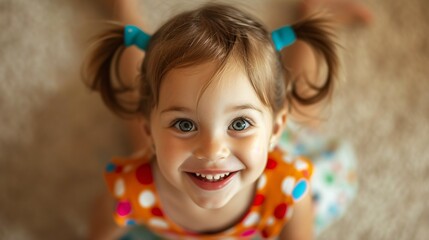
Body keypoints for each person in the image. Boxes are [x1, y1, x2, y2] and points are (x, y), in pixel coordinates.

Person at [82, 1, 369, 239]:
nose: (212, 150)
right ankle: (123, 8)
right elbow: (101, 230)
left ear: (274, 130)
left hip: (269, 199)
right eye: (185, 124)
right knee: (139, 108)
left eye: (239, 123)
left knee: (302, 109)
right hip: (161, 219)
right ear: (151, 131)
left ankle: (318, 11)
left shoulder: (290, 189)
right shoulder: (130, 190)